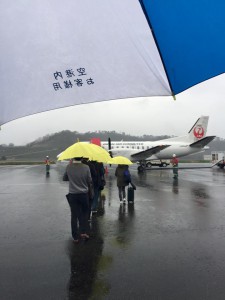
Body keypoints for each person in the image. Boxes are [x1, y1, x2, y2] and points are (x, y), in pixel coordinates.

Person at [63, 157, 93, 243]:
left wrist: (73, 178)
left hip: (73, 194)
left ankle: (75, 237)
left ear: (73, 157)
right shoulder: (86, 167)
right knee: (84, 214)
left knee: (74, 215)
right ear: (81, 158)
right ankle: (83, 232)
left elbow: (64, 178)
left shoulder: (69, 167)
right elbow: (89, 180)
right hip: (84, 194)